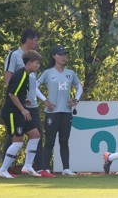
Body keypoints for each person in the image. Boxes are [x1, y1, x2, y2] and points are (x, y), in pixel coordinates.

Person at [35, 45, 83, 177]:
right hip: (52, 112)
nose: (63, 57)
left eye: (64, 54)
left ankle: (66, 168)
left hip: (66, 112)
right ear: (54, 56)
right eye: (60, 54)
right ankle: (45, 169)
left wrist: (75, 101)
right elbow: (35, 86)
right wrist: (45, 100)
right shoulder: (47, 73)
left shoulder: (70, 73)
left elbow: (79, 87)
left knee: (64, 141)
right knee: (50, 141)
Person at [3, 28, 43, 175]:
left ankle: (33, 167)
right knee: (15, 138)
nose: (37, 42)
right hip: (17, 106)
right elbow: (9, 83)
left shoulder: (33, 60)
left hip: (30, 104)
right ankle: (5, 168)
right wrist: (18, 104)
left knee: (36, 135)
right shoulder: (14, 55)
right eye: (35, 39)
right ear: (28, 39)